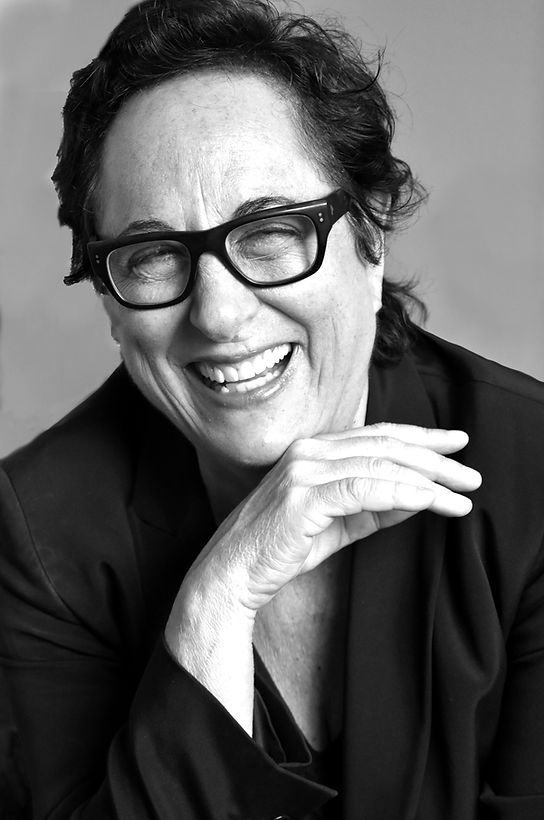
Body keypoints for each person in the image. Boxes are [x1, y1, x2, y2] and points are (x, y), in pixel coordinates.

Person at [1, 0, 544, 818]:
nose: (219, 315)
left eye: (271, 232)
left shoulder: (533, 475)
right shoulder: (41, 534)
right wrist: (218, 599)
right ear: (110, 300)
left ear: (371, 236)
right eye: (152, 254)